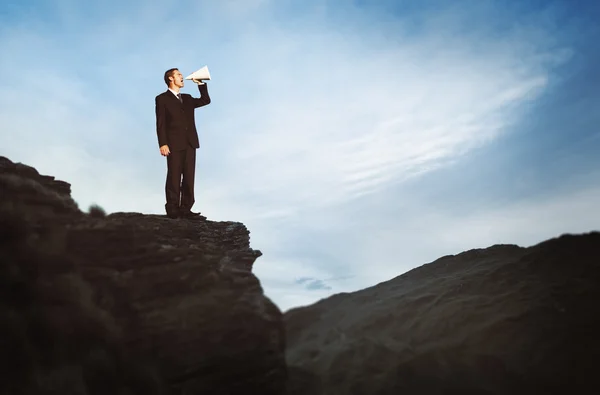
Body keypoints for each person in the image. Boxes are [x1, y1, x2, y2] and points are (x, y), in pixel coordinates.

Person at [155, 68, 211, 219]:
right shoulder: (162, 99)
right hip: (173, 144)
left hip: (190, 143)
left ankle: (186, 208)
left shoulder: (187, 98)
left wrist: (200, 84)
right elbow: (161, 123)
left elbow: (206, 100)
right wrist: (163, 143)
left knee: (188, 176)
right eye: (179, 74)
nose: (182, 76)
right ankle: (172, 208)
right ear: (170, 79)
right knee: (174, 176)